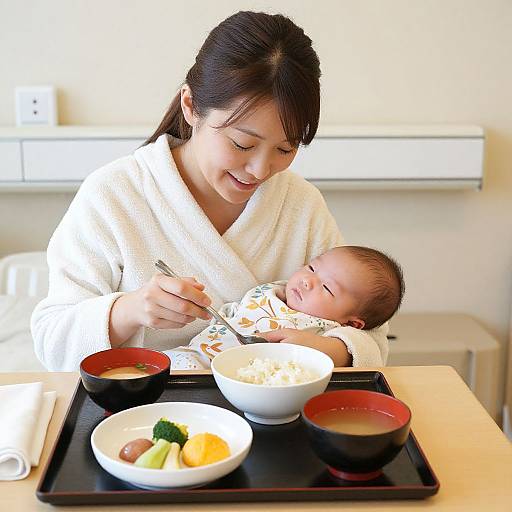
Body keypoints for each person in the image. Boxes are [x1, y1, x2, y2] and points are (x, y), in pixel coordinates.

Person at [31, 11, 390, 371]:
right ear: (190, 106)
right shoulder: (115, 194)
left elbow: (370, 335)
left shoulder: (300, 205)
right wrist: (129, 310)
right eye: (241, 143)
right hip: (147, 407)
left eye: (285, 149)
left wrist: (327, 350)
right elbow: (52, 341)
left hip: (272, 409)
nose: (260, 170)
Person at [165, 246, 405, 370]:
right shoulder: (270, 291)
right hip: (197, 354)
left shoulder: (328, 331)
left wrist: (328, 349)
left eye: (327, 288)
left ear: (351, 322)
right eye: (311, 268)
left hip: (242, 380)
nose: (307, 280)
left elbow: (366, 350)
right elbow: (238, 312)